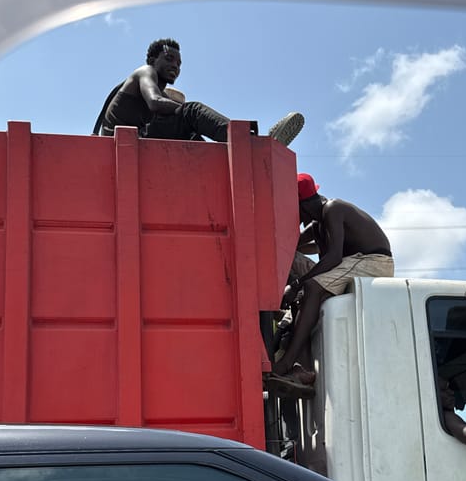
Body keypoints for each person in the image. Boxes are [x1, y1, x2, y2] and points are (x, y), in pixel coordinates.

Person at [267, 173, 394, 398]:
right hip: (351, 262)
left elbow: (333, 257)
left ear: (303, 206)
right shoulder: (317, 222)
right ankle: (303, 370)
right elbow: (294, 245)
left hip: (372, 261)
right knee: (304, 294)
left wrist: (297, 283)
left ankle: (287, 363)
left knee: (313, 287)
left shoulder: (332, 209)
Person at [93, 38, 304, 146]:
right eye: (169, 59)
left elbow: (166, 108)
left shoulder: (156, 83)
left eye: (179, 63)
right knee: (192, 111)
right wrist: (188, 112)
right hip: (120, 141)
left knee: (189, 130)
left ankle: (230, 160)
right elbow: (155, 102)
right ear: (151, 60)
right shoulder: (145, 72)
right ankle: (248, 144)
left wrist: (189, 122)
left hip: (134, 140)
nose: (175, 66)